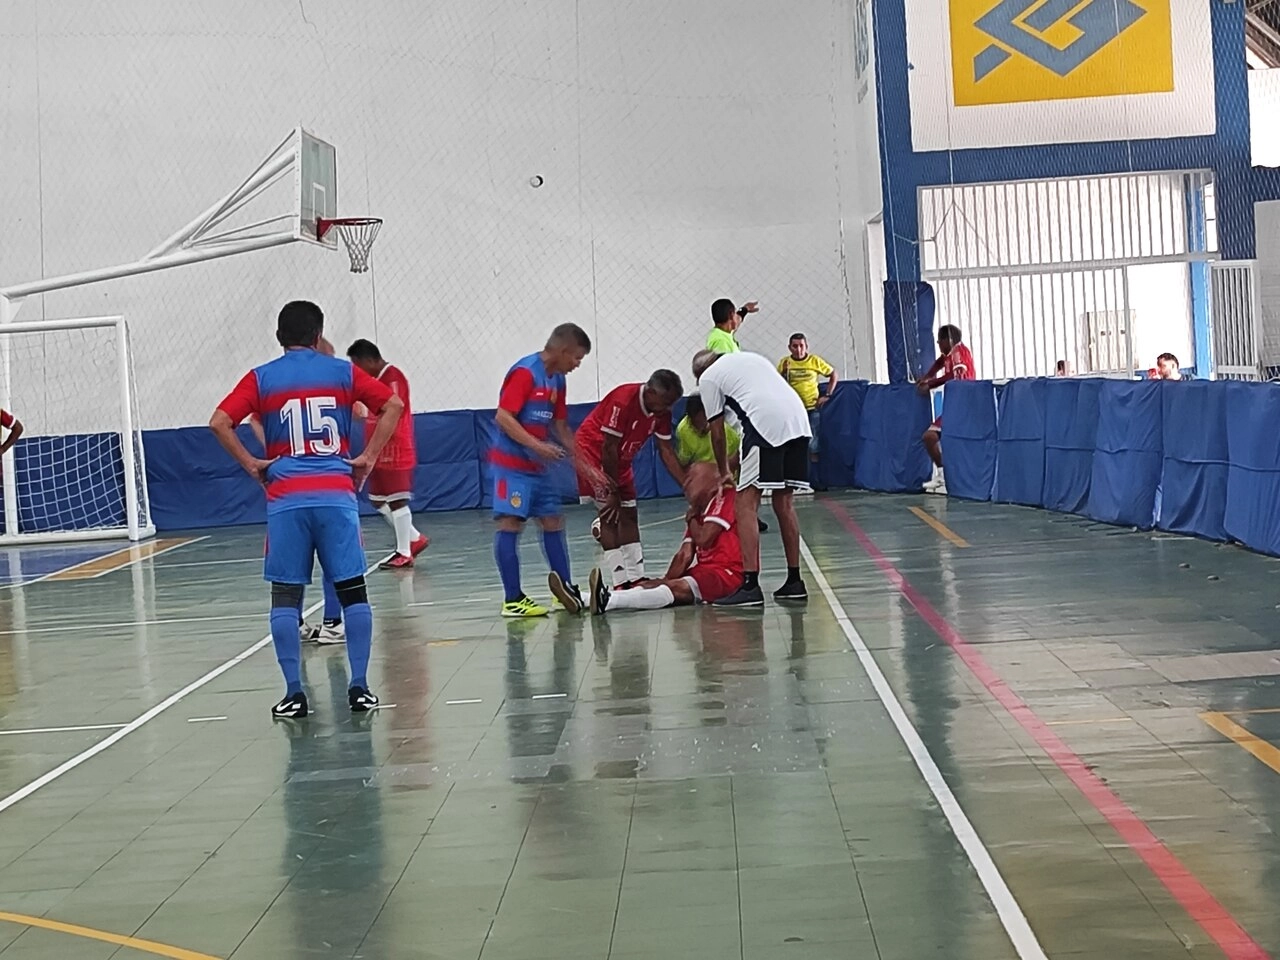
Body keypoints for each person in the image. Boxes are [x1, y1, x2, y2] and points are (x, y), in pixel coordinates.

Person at [210, 300, 404, 719]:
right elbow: (393, 406)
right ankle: (359, 688)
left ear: (279, 337)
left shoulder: (261, 377)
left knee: (285, 597)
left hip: (285, 498)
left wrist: (253, 466)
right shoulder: (341, 372)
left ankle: (294, 693)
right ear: (318, 337)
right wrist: (367, 457)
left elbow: (219, 422)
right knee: (353, 592)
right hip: (335, 494)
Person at [245, 336, 345, 645]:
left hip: (291, 487)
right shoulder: (303, 384)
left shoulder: (280, 383)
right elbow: (247, 420)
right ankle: (330, 622)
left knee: (293, 561)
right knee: (330, 556)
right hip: (318, 487)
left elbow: (249, 420)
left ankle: (314, 623)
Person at [692, 349, 811, 606]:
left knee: (745, 504)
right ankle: (794, 581)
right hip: (800, 422)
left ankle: (750, 585)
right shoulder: (751, 359)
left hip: (766, 425)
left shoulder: (708, 377)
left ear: (700, 374)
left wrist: (723, 472)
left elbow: (717, 433)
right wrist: (731, 465)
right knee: (784, 503)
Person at [491, 323, 592, 617]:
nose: (577, 365)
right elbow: (503, 417)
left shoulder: (557, 380)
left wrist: (586, 465)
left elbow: (560, 426)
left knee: (553, 520)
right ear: (563, 351)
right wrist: (538, 446)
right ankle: (513, 600)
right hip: (512, 467)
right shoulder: (525, 373)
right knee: (511, 523)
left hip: (539, 467)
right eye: (576, 358)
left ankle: (564, 593)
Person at [576, 371, 686, 590]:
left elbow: (666, 450)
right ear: (651, 392)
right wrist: (612, 491)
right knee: (610, 515)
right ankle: (620, 581)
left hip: (621, 457)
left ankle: (636, 577)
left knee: (630, 513)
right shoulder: (623, 400)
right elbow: (608, 448)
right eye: (666, 402)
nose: (669, 408)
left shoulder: (661, 411)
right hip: (594, 456)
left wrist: (687, 486)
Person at [588, 463, 742, 612]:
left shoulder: (726, 498)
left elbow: (704, 539)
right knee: (652, 585)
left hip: (727, 574)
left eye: (692, 478)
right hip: (705, 572)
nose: (685, 484)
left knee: (674, 588)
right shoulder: (697, 510)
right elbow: (684, 555)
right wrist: (665, 579)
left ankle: (609, 601)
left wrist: (691, 519)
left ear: (712, 481)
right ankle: (584, 599)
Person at [346, 339, 429, 569]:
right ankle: (413, 538)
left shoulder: (393, 377)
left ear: (369, 361)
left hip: (395, 448)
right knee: (377, 499)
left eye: (357, 364)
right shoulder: (376, 380)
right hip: (379, 449)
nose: (357, 370)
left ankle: (404, 551)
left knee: (396, 499)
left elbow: (395, 408)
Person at [676, 394, 768, 533]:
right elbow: (685, 461)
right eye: (695, 421)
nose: (699, 425)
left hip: (724, 474)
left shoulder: (727, 433)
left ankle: (748, 514)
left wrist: (720, 474)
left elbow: (738, 458)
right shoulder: (683, 430)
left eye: (702, 419)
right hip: (701, 475)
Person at [916, 324, 976, 495]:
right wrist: (927, 377)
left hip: (962, 404)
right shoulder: (950, 354)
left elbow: (954, 376)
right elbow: (939, 362)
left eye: (939, 340)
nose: (937, 343)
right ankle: (943, 476)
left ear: (948, 340)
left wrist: (930, 383)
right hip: (955, 404)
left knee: (930, 436)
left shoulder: (959, 352)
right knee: (931, 437)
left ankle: (944, 477)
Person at [778, 333, 837, 487]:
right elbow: (777, 383)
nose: (798, 350)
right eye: (795, 346)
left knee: (813, 444)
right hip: (793, 410)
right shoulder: (785, 363)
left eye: (801, 346)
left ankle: (815, 480)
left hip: (812, 408)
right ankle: (795, 480)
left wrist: (827, 395)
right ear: (789, 347)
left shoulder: (814, 361)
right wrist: (784, 372)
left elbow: (832, 374)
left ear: (806, 346)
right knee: (794, 443)